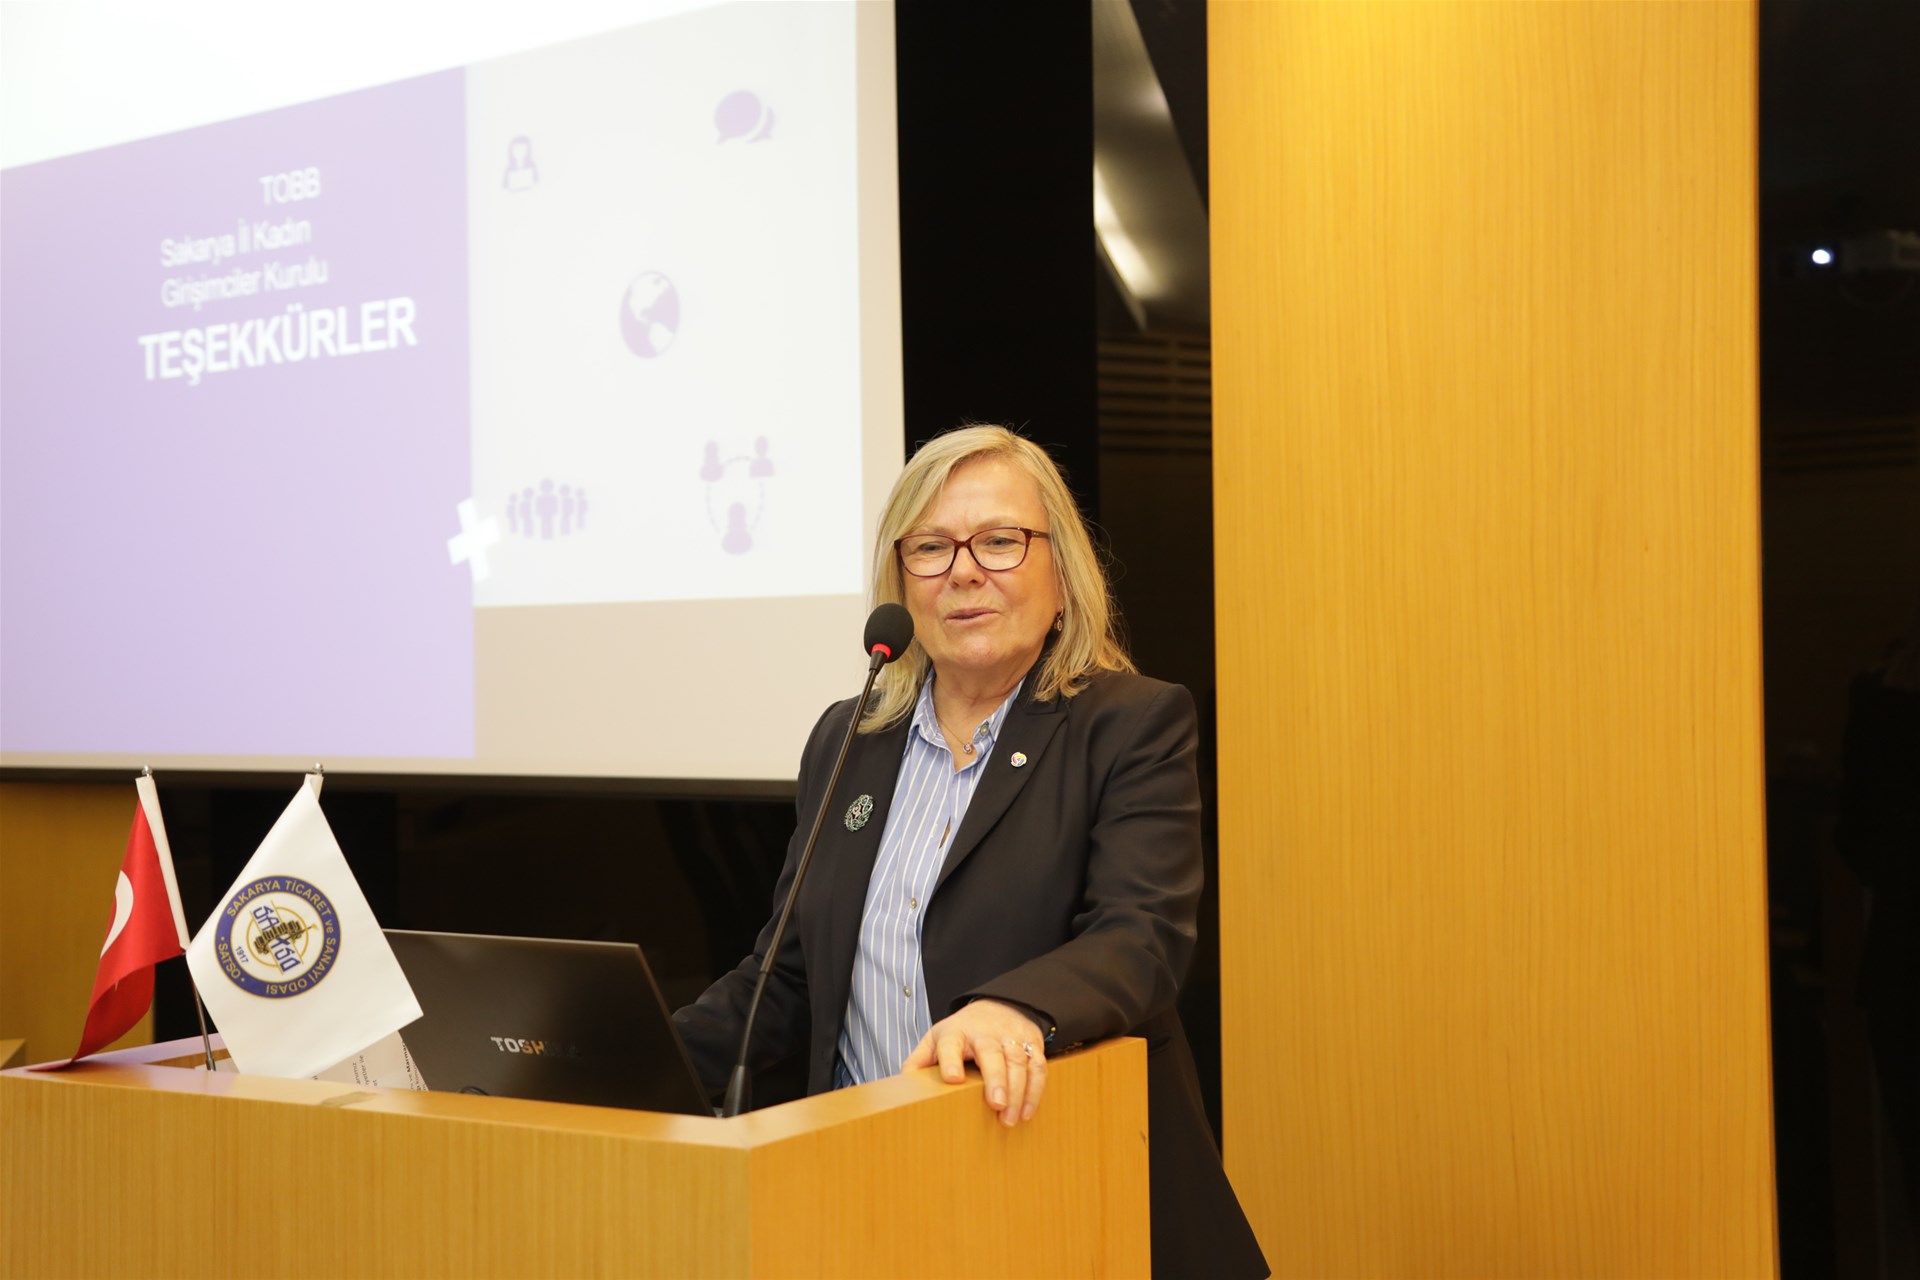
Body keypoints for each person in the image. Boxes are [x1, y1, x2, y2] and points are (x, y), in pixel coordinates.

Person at [673, 425, 1268, 1278]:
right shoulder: (848, 738)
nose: (962, 571)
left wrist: (1014, 1009)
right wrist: (620, 1059)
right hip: (867, 1200)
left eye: (998, 541)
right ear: (901, 582)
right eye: (930, 547)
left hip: (1064, 1195)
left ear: (1061, 572)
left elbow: (1141, 938)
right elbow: (788, 979)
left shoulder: (1130, 724)